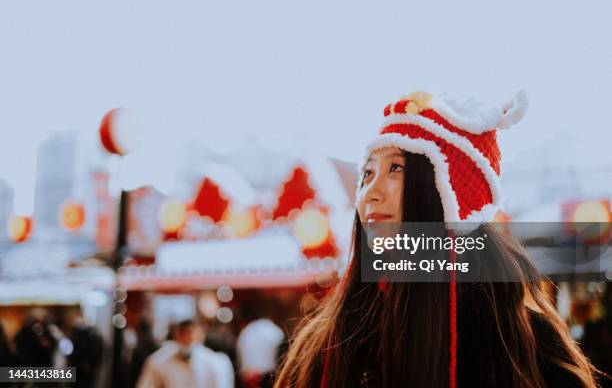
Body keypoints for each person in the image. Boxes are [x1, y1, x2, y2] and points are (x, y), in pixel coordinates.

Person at [274, 91, 603, 387]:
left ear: (448, 195)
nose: (369, 194)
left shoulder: (513, 338)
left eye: (396, 169)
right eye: (368, 173)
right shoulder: (327, 342)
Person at [137, 319, 234, 388]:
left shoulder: (216, 362)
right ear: (176, 336)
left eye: (191, 333)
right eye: (183, 334)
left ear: (201, 336)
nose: (188, 338)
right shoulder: (159, 361)